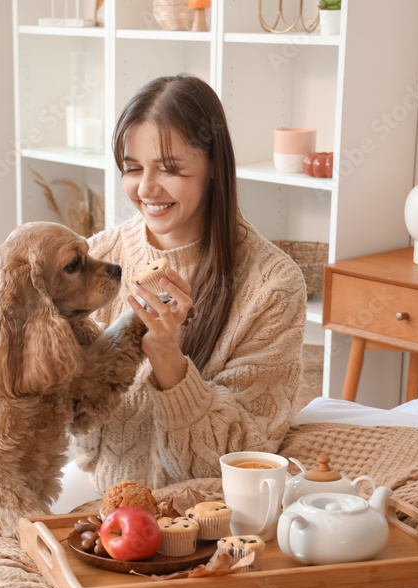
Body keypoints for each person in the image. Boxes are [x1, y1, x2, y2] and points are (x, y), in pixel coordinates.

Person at [71, 74, 307, 491]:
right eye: (133, 168)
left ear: (213, 165)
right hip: (101, 514)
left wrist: (168, 360)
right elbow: (78, 436)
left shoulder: (273, 285)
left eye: (170, 169)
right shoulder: (97, 259)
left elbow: (239, 461)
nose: (145, 188)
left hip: (210, 524)